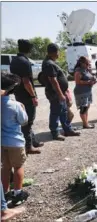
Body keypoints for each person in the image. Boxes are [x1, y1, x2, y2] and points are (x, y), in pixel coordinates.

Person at [1, 71, 30, 206]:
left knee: (5, 168)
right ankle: (18, 192)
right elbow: (23, 121)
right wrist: (23, 108)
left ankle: (5, 192)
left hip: (2, 141)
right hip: (15, 141)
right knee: (18, 166)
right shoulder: (15, 105)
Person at [9, 39, 42, 154]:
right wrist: (33, 96)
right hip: (26, 95)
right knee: (28, 120)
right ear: (29, 49)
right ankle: (29, 146)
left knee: (27, 119)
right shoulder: (24, 62)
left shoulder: (14, 60)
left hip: (18, 93)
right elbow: (26, 81)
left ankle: (33, 141)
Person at [42, 43, 80, 141]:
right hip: (55, 94)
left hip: (59, 93)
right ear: (54, 52)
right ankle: (55, 133)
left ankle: (67, 130)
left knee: (63, 112)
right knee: (55, 112)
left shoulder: (51, 62)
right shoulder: (49, 63)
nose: (59, 54)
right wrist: (60, 94)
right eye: (58, 51)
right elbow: (53, 80)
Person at [73, 56, 96, 129]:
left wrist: (93, 80)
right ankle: (85, 124)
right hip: (81, 92)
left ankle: (86, 122)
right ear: (81, 63)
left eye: (89, 63)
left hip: (87, 91)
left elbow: (90, 78)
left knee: (87, 107)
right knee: (83, 108)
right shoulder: (78, 71)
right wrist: (88, 82)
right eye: (86, 63)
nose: (88, 65)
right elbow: (78, 82)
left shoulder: (86, 70)